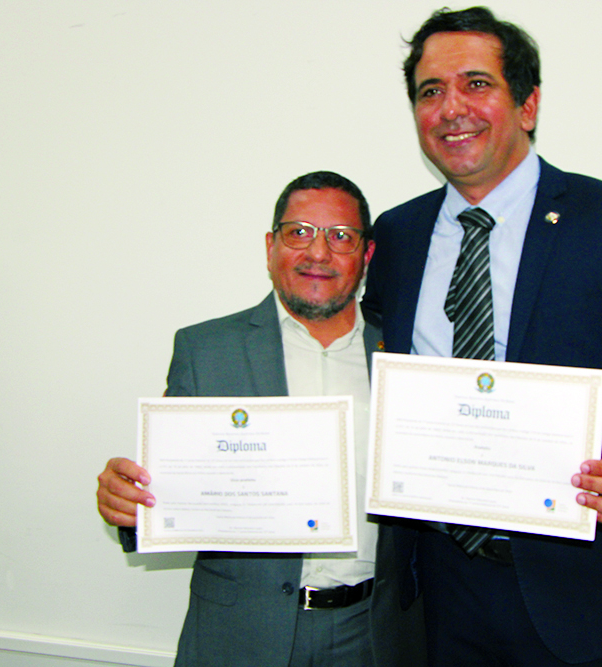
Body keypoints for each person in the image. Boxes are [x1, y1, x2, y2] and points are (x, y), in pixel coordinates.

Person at [361, 7, 602, 667]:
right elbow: (362, 361)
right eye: (431, 91)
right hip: (439, 597)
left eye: (476, 84)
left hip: (587, 594)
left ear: (527, 105)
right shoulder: (399, 235)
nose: (451, 108)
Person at [96, 171, 425, 667]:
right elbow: (172, 490)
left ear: (367, 255)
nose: (318, 253)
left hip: (372, 638)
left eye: (340, 237)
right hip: (240, 635)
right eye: (299, 233)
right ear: (271, 247)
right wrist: (127, 501)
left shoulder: (406, 355)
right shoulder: (206, 351)